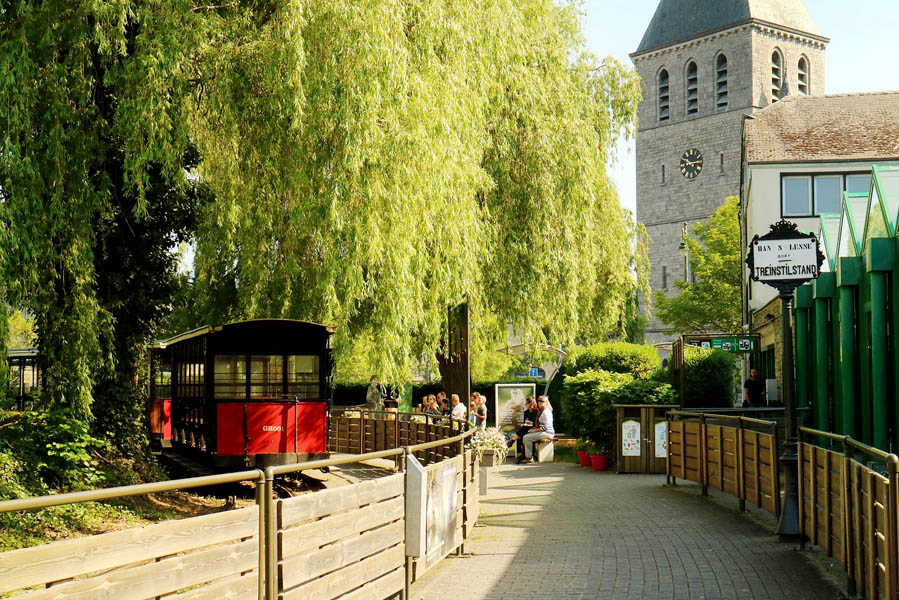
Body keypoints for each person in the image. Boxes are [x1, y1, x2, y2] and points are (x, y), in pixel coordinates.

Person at [522, 396, 554, 464]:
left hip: (547, 433)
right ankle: (530, 456)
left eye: (542, 401)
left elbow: (545, 427)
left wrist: (533, 431)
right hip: (544, 431)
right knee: (526, 434)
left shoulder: (546, 413)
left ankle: (529, 458)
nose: (540, 403)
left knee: (526, 437)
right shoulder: (542, 411)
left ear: (546, 403)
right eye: (539, 401)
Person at [512, 396, 538, 462]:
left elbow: (535, 423)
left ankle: (514, 439)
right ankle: (523, 454)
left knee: (522, 433)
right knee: (523, 433)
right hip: (527, 428)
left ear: (531, 404)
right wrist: (525, 423)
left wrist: (528, 423)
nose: (525, 405)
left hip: (535, 429)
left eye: (526, 404)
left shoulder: (536, 411)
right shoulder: (526, 412)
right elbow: (525, 422)